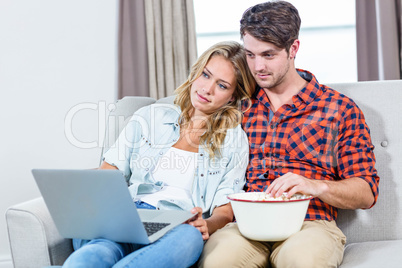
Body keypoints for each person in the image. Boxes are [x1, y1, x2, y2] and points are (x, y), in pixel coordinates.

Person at [198, 1, 380, 268]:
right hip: (245, 224)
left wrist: (315, 185)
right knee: (219, 261)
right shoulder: (238, 104)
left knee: (302, 261)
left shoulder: (339, 109)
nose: (257, 66)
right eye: (250, 55)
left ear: (293, 48)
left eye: (268, 55)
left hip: (310, 223)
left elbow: (366, 191)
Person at [62, 41, 255, 268]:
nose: (207, 89)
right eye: (205, 75)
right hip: (128, 215)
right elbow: (109, 172)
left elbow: (225, 207)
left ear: (233, 97)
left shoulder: (233, 139)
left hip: (176, 227)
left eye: (222, 85)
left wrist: (208, 225)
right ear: (196, 73)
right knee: (95, 254)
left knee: (190, 239)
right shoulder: (149, 117)